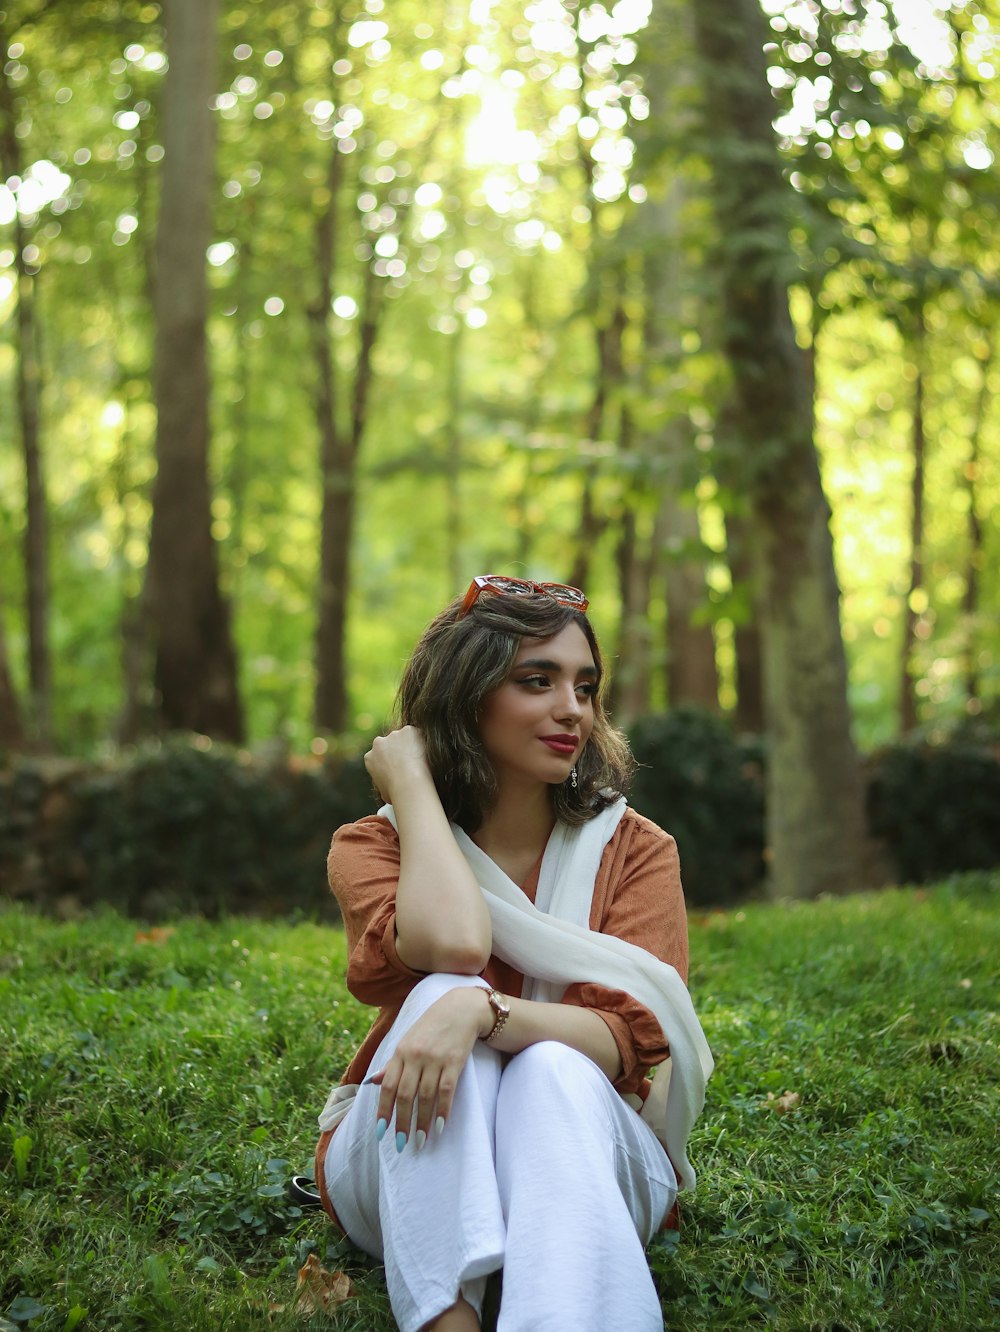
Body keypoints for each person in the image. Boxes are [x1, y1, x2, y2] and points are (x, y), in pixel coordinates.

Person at [314, 575, 713, 1332]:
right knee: (438, 991)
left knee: (551, 1065)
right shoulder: (374, 846)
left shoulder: (636, 851)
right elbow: (455, 943)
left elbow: (625, 1039)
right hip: (397, 1168)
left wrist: (483, 1012)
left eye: (586, 687)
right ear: (468, 696)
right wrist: (413, 787)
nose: (573, 709)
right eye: (538, 681)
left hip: (585, 1160)